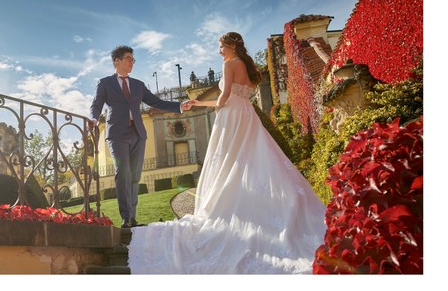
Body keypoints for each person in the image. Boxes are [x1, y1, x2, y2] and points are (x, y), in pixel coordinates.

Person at [128, 32, 327, 274]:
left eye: (221, 47)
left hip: (231, 118)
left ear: (231, 46)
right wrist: (200, 104)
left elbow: (223, 98)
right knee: (254, 158)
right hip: (246, 115)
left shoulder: (230, 63)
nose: (219, 51)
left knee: (229, 161)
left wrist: (207, 106)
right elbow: (234, 97)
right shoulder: (245, 65)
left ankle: (233, 204)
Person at [89, 46, 191, 229]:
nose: (131, 62)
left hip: (138, 134)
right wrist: (94, 118)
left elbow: (156, 102)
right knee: (123, 173)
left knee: (135, 175)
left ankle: (132, 218)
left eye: (133, 60)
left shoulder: (138, 85)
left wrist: (179, 106)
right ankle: (126, 217)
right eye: (128, 59)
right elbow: (96, 104)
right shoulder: (104, 83)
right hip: (117, 135)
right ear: (117, 61)